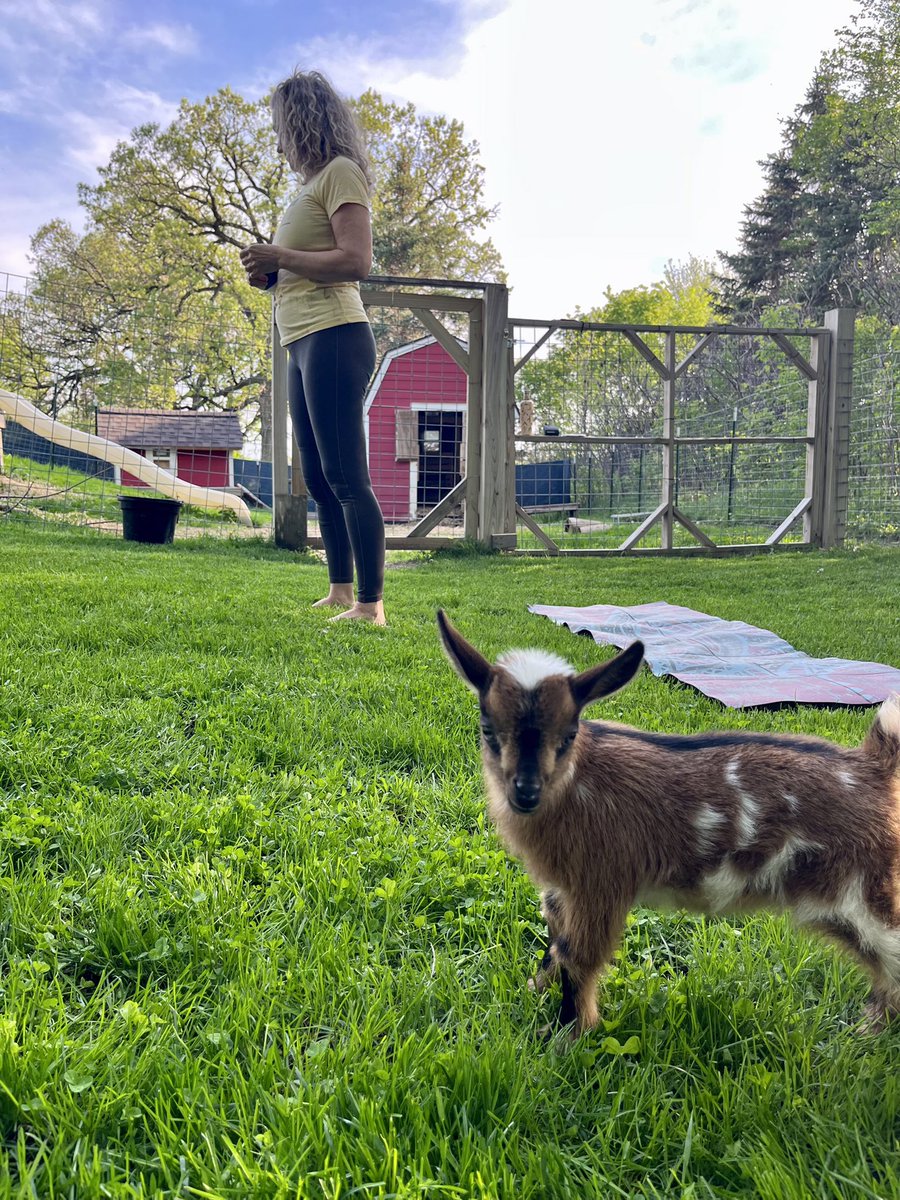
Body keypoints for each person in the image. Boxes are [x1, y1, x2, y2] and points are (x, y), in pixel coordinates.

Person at [241, 69, 386, 625]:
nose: (278, 140)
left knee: (348, 474)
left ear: (303, 120)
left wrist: (281, 258)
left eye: (281, 127)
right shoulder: (307, 188)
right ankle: (342, 591)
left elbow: (355, 262)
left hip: (335, 334)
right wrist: (272, 276)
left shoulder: (341, 174)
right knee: (321, 479)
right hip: (301, 340)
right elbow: (307, 265)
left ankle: (372, 605)